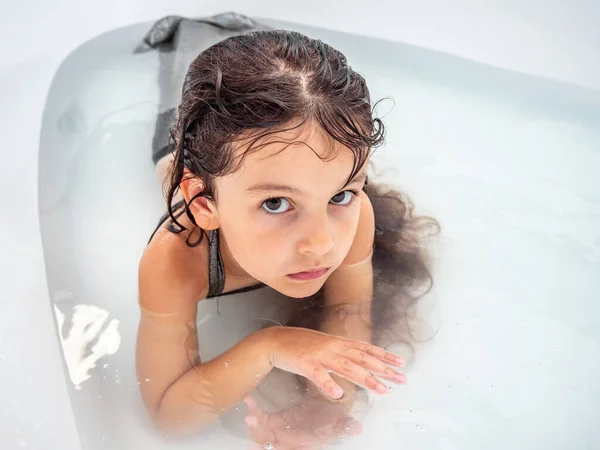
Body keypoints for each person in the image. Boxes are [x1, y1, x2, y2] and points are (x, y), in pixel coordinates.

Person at [136, 26, 437, 447]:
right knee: (180, 91)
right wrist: (268, 346)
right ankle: (196, 30)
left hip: (252, 151)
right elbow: (169, 416)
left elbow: (349, 308)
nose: (322, 244)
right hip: (185, 159)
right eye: (276, 204)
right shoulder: (174, 260)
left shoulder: (357, 218)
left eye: (342, 194)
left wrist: (328, 402)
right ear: (205, 206)